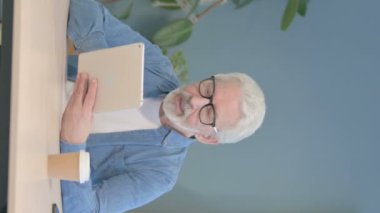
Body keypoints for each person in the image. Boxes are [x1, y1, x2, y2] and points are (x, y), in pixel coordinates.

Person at [60, 0, 266, 212]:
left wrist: (72, 142)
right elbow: (86, 7)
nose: (194, 100)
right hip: (30, 85)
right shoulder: (155, 66)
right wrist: (98, 57)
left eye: (209, 112)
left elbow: (85, 210)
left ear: (207, 137)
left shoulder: (160, 174)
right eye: (207, 90)